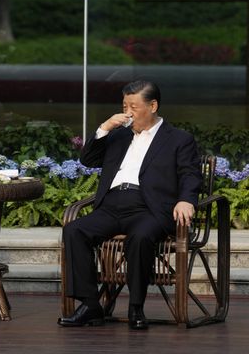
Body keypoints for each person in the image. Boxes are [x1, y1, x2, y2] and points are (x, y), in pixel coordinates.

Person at [57, 80, 202, 330]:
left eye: (133, 106)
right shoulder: (119, 135)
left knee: (140, 236)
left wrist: (186, 200)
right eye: (124, 106)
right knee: (74, 230)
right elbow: (88, 159)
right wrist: (104, 128)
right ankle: (91, 305)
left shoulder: (178, 139)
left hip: (150, 208)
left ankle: (136, 306)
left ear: (153, 105)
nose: (127, 112)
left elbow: (190, 174)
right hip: (111, 205)